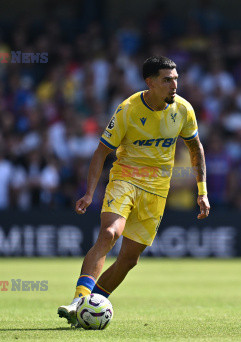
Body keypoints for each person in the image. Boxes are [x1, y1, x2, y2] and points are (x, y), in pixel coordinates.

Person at [58, 56, 210, 327]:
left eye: (176, 79)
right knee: (109, 233)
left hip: (158, 189)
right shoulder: (128, 109)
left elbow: (195, 148)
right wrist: (90, 193)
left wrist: (202, 191)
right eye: (167, 79)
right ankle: (79, 301)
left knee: (129, 260)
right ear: (149, 82)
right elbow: (101, 151)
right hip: (126, 177)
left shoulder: (184, 110)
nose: (174, 85)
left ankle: (90, 307)